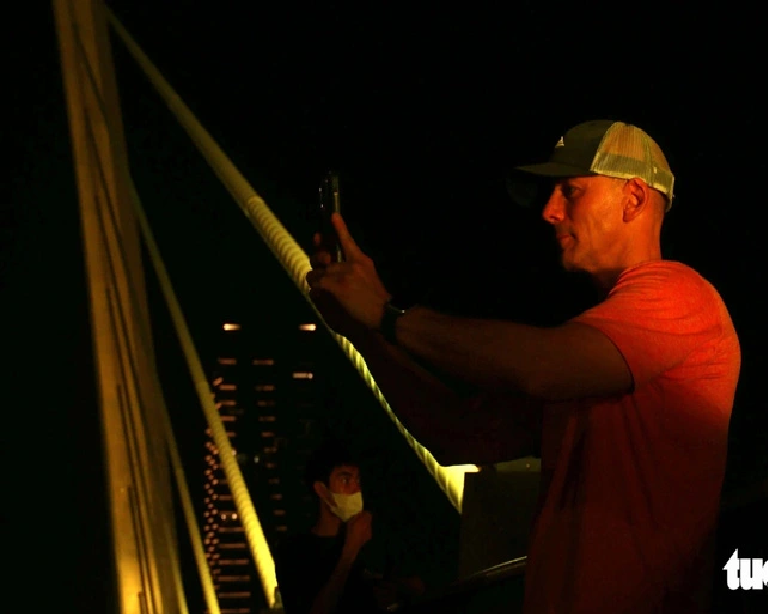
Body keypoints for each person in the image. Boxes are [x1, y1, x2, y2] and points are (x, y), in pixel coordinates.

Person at [305, 120, 741, 614]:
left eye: (570, 192)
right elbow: (461, 432)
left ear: (635, 199)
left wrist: (386, 314)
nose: (550, 212)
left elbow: (541, 367)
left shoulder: (680, 296)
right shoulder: (594, 347)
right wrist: (363, 329)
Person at [273, 442, 425, 614]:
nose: (356, 488)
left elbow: (419, 584)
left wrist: (396, 589)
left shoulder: (375, 533)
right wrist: (351, 549)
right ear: (322, 490)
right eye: (345, 480)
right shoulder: (294, 551)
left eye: (357, 480)